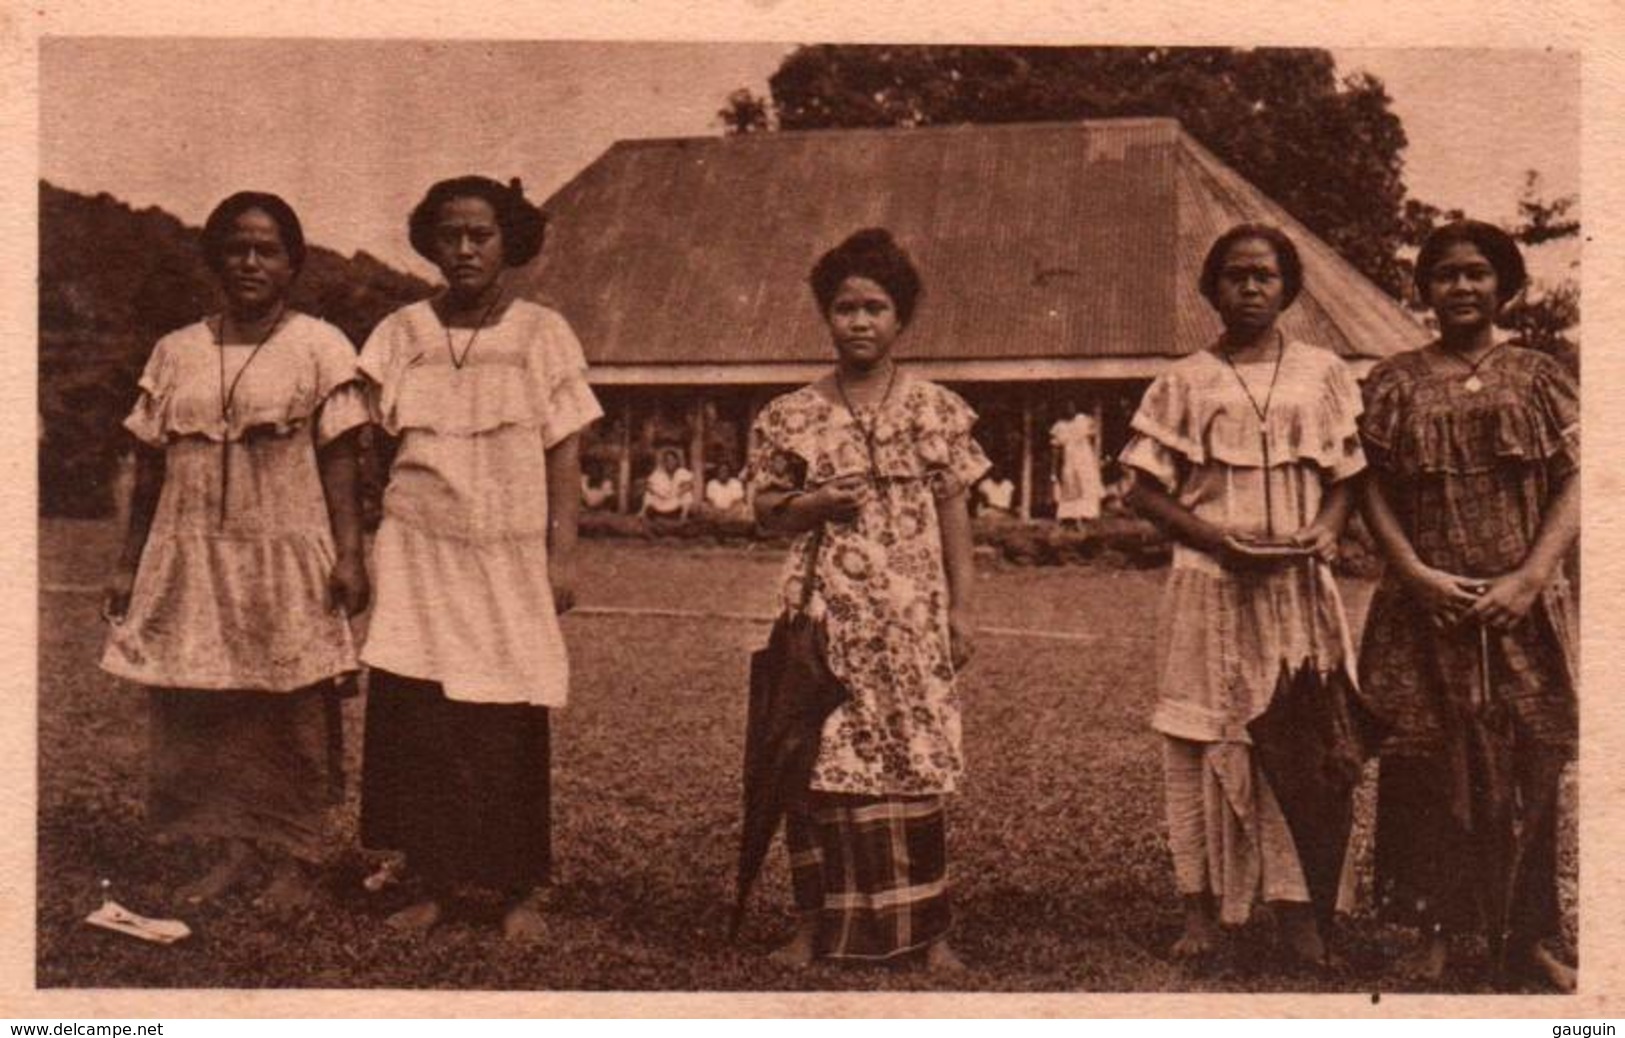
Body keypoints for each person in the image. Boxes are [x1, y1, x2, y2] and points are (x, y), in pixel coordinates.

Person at [100, 191, 369, 915]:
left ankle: (297, 859)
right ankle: (228, 851)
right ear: (216, 258)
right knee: (204, 703)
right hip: (193, 551)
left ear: (292, 263)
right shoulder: (176, 350)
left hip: (285, 548)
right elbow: (150, 467)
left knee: (291, 707)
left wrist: (350, 553)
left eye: (268, 249)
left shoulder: (320, 346)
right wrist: (128, 562)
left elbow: (343, 461)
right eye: (237, 248)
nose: (250, 262)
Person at [356, 175, 602, 940]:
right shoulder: (400, 331)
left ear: (508, 242)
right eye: (451, 235)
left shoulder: (541, 332)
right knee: (419, 714)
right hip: (419, 550)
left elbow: (565, 449)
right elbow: (370, 441)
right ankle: (429, 879)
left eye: (481, 235)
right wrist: (374, 532)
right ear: (430, 241)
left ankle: (517, 886)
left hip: (506, 551)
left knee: (505, 715)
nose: (464, 249)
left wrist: (560, 553)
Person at [1120, 223, 1365, 965]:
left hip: (1294, 586)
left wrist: (1323, 530)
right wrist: (1213, 540)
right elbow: (1141, 488)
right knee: (1197, 741)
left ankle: (1300, 914)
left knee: (1299, 740)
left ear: (1287, 287)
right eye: (1235, 276)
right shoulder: (1183, 380)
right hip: (1210, 586)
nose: (1250, 288)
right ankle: (1199, 911)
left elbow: (1346, 476)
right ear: (1211, 287)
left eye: (1264, 275)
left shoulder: (1321, 372)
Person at [749, 227, 989, 970]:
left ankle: (927, 933)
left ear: (900, 318)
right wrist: (816, 500)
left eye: (875, 308)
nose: (859, 322)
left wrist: (960, 608)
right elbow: (764, 511)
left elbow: (955, 514)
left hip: (908, 615)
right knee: (813, 760)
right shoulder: (789, 414)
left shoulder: (936, 411)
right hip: (823, 615)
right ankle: (813, 924)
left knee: (910, 757)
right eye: (845, 307)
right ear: (826, 314)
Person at [1358, 220, 1578, 991]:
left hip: (1521, 605)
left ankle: (1528, 936)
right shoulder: (1393, 382)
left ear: (1503, 285)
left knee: (1530, 762)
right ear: (1424, 289)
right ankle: (1434, 932)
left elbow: (1578, 480)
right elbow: (1368, 488)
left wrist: (1527, 579)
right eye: (1445, 275)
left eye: (1476, 274)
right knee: (1424, 765)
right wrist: (1414, 572)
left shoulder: (1539, 376)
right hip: (1424, 605)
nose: (1460, 287)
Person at [1050, 403, 1104, 527]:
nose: (1069, 409)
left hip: (1084, 458)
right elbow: (1056, 449)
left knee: (1087, 484)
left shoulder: (1082, 419)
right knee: (1070, 485)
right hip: (1069, 458)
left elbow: (1094, 435)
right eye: (1066, 407)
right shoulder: (1060, 425)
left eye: (1072, 406)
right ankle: (1070, 516)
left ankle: (1086, 515)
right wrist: (1054, 469)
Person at [640, 448, 695, 519]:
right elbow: (647, 485)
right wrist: (657, 492)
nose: (670, 462)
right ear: (664, 462)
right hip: (661, 501)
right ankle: (642, 513)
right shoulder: (659, 472)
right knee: (648, 494)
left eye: (672, 460)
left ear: (677, 461)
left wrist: (680, 492)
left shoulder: (681, 471)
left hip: (675, 501)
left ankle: (683, 516)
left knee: (687, 495)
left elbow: (690, 485)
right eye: (667, 460)